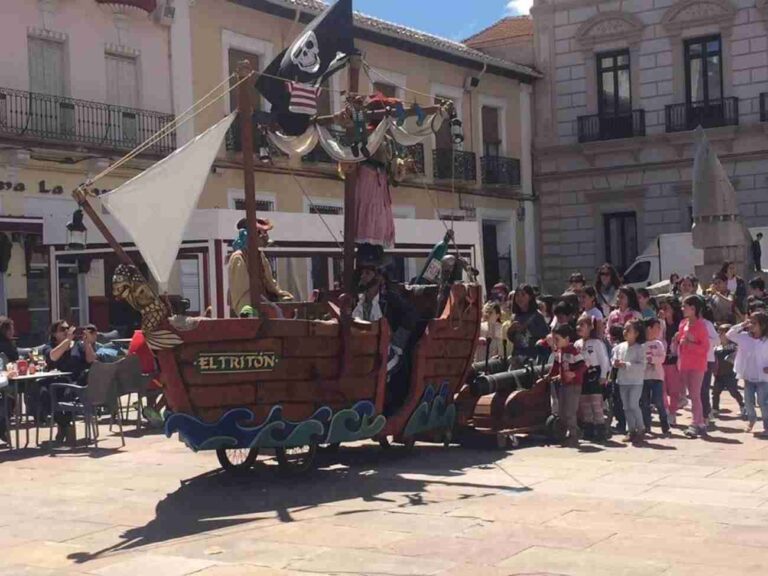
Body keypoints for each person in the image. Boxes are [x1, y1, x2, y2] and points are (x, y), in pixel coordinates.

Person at [352, 245, 418, 411]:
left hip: (389, 352)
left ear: (379, 277)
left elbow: (411, 316)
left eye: (368, 273)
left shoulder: (391, 299)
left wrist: (396, 344)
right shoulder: (358, 300)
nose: (363, 276)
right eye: (362, 273)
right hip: (364, 349)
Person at [43, 320, 98, 443]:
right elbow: (53, 356)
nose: (67, 331)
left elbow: (91, 360)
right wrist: (67, 340)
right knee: (42, 393)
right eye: (62, 329)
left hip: (75, 382)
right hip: (56, 382)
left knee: (69, 394)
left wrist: (87, 343)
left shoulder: (78, 345)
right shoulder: (49, 346)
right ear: (54, 334)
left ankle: (64, 427)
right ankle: (64, 425)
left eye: (68, 328)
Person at [228, 218, 294, 316]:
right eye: (262, 233)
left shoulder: (260, 255)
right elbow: (241, 292)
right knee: (276, 314)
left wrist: (282, 295)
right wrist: (251, 310)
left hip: (263, 302)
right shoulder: (238, 257)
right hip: (249, 308)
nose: (266, 236)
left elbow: (269, 281)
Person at [726, 312, 768, 435]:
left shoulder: (766, 340)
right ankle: (752, 420)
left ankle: (766, 426)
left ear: (763, 325)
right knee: (748, 402)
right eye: (749, 322)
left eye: (754, 323)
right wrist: (742, 324)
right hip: (748, 376)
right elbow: (730, 334)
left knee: (763, 402)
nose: (750, 325)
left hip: (764, 378)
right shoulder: (744, 337)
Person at [675, 296, 710, 438]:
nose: (682, 309)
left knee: (695, 395)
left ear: (693, 308)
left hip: (697, 365)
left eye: (685, 306)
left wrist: (692, 343)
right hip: (684, 363)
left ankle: (695, 423)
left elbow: (705, 347)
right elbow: (681, 342)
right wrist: (679, 339)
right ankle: (700, 422)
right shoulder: (683, 324)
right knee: (690, 394)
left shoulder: (701, 326)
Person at [547, 323, 586, 448]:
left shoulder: (573, 352)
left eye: (557, 339)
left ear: (567, 339)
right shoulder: (559, 352)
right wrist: (549, 376)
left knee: (570, 411)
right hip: (563, 384)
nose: (555, 342)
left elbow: (583, 366)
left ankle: (573, 436)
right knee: (562, 412)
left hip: (574, 385)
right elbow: (556, 366)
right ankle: (569, 433)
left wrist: (574, 374)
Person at [575, 316, 610, 442]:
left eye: (582, 325)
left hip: (595, 373)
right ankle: (588, 430)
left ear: (590, 327)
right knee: (584, 403)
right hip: (582, 374)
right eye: (577, 325)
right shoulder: (577, 344)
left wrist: (603, 376)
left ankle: (600, 430)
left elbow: (604, 360)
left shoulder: (597, 343)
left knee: (596, 403)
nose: (579, 328)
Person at [612, 319, 647, 443]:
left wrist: (626, 365)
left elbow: (642, 365)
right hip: (623, 381)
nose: (625, 332)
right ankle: (631, 430)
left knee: (633, 404)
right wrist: (615, 363)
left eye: (629, 329)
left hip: (636, 382)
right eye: (624, 329)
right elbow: (614, 358)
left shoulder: (640, 348)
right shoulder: (619, 347)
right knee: (626, 406)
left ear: (636, 333)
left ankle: (641, 428)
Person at [504, 284, 550, 367]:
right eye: (517, 295)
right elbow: (513, 338)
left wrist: (528, 328)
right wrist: (511, 329)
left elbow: (545, 337)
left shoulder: (537, 316)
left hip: (532, 358)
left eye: (523, 295)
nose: (519, 298)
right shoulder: (515, 316)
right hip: (517, 357)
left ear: (530, 297)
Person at [642, 318, 670, 437]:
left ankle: (665, 425)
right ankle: (646, 426)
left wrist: (652, 360)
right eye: (657, 327)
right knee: (644, 403)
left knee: (659, 401)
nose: (659, 330)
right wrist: (645, 361)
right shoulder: (641, 344)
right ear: (649, 328)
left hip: (657, 377)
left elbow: (662, 358)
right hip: (643, 378)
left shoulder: (659, 344)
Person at [712, 324, 745, 419]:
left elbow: (737, 356)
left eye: (722, 332)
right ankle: (715, 408)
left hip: (730, 374)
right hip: (718, 374)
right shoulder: (717, 347)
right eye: (719, 332)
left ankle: (742, 405)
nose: (719, 334)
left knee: (733, 391)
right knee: (715, 392)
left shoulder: (733, 347)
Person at [659, 297, 683, 426]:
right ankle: (666, 411)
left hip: (675, 360)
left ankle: (672, 413)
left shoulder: (680, 324)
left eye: (666, 308)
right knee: (662, 389)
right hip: (662, 359)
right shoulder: (660, 324)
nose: (663, 311)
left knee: (674, 389)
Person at [700, 305, 720, 429]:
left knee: (703, 389)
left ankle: (705, 414)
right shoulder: (685, 323)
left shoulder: (707, 324)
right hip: (691, 360)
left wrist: (702, 339)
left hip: (706, 360)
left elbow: (717, 341)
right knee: (694, 390)